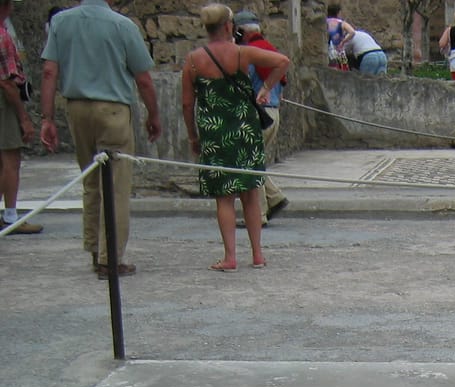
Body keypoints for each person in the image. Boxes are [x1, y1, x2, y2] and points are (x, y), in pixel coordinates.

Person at [40, 0, 162, 277]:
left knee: (91, 180)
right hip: (113, 108)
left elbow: (49, 71)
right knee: (116, 184)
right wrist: (153, 114)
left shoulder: (61, 22)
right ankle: (111, 257)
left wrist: (47, 118)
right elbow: (143, 79)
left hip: (77, 107)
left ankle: (95, 249)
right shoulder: (122, 25)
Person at [182, 3, 288, 272]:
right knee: (250, 193)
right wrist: (266, 88)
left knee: (224, 197)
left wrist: (193, 136)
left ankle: (230, 256)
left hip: (215, 132)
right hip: (245, 129)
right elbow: (282, 62)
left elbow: (187, 103)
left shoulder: (193, 60)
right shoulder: (242, 53)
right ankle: (257, 254)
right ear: (229, 26)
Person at [233, 11, 288, 226]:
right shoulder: (269, 50)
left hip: (259, 113)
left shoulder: (250, 53)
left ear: (241, 31)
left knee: (249, 163)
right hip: (273, 112)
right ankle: (275, 197)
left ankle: (259, 215)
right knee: (253, 161)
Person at [0, 0, 40, 235]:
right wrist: (24, 118)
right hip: (4, 103)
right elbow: (7, 83)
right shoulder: (3, 36)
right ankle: (11, 216)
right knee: (11, 161)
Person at [325, 3, 349, 69]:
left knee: (332, 68)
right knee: (344, 68)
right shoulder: (341, 22)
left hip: (330, 49)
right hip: (340, 49)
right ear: (338, 13)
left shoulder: (325, 21)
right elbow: (352, 32)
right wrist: (344, 41)